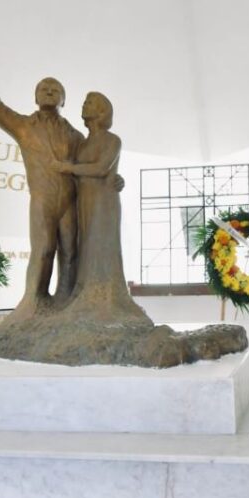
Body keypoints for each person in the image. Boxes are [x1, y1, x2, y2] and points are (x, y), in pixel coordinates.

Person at [0, 37, 82, 318]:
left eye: (56, 89)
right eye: (44, 88)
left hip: (71, 201)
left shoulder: (76, 136)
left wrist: (114, 181)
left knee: (70, 253)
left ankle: (67, 302)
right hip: (43, 199)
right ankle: (35, 302)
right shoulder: (23, 127)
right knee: (44, 250)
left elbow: (96, 165)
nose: (49, 91)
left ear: (64, 100)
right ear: (35, 97)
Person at [49, 92, 151, 325]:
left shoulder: (112, 140)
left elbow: (102, 168)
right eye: (84, 102)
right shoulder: (82, 144)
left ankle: (104, 296)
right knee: (84, 246)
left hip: (103, 202)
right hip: (83, 200)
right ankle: (84, 293)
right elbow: (83, 172)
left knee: (100, 245)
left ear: (103, 111)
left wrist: (68, 167)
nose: (84, 105)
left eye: (90, 103)